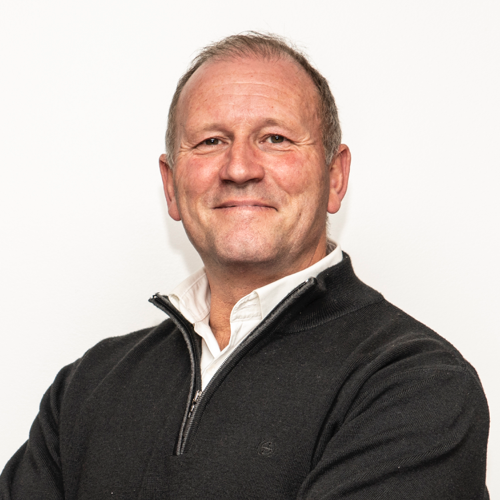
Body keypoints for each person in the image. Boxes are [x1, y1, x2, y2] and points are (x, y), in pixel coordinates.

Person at [0, 32, 489, 500]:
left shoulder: (416, 384)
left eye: (275, 138)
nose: (239, 168)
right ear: (171, 185)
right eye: (211, 141)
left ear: (335, 176)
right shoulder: (86, 387)